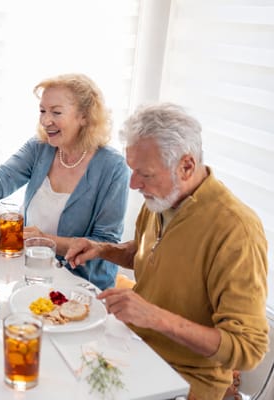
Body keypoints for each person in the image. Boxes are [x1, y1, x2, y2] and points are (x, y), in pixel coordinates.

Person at [64, 103, 269, 399]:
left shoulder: (236, 231)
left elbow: (248, 350)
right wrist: (102, 249)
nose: (134, 184)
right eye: (132, 170)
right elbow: (153, 255)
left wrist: (154, 317)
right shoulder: (162, 201)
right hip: (134, 349)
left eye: (145, 174)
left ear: (186, 166)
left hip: (185, 379)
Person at [0, 73, 129, 289]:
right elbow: (1, 179)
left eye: (56, 112)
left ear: (84, 116)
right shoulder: (41, 147)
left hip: (82, 286)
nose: (46, 121)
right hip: (30, 271)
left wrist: (44, 240)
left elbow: (105, 243)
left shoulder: (113, 167)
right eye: (42, 111)